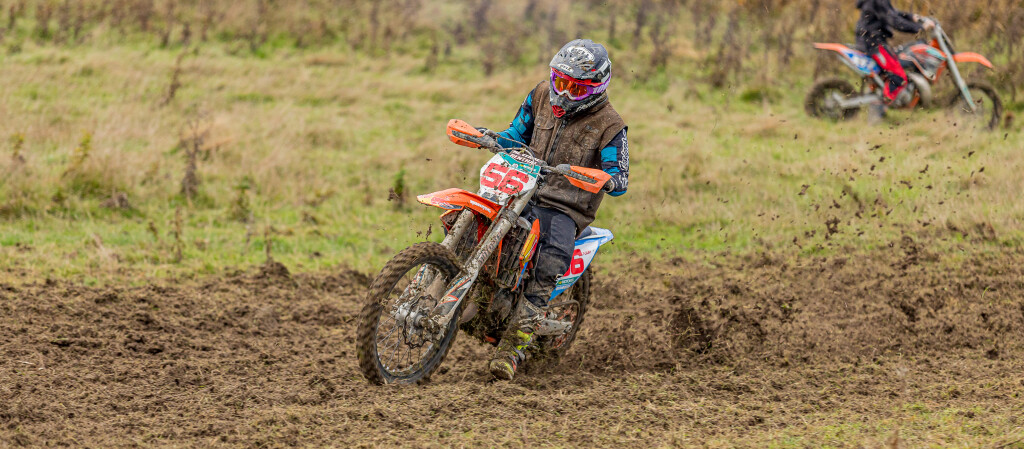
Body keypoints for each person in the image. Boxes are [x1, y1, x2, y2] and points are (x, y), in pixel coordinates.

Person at [478, 39, 629, 381]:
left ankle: (513, 347)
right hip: (520, 187)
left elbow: (620, 177)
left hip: (564, 206)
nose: (563, 93)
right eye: (560, 82)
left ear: (596, 88)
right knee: (478, 219)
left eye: (575, 88)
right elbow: (516, 134)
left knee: (549, 262)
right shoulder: (540, 95)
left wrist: (605, 180)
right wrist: (492, 138)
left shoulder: (610, 125)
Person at [855, 0, 935, 105]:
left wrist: (911, 17)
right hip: (873, 45)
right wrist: (920, 28)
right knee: (899, 76)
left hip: (873, 42)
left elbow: (892, 13)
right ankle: (881, 106)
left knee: (893, 69)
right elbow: (894, 21)